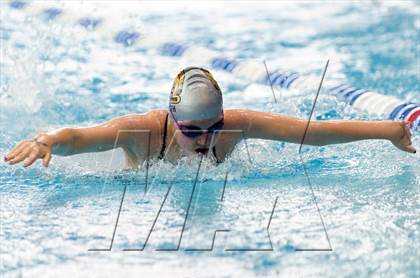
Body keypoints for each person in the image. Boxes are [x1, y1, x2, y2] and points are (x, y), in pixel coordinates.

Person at [4, 67, 416, 169]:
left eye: (213, 127)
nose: (206, 139)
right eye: (192, 130)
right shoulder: (141, 132)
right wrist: (48, 141)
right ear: (172, 119)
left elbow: (313, 134)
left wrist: (389, 129)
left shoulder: (237, 124)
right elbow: (80, 137)